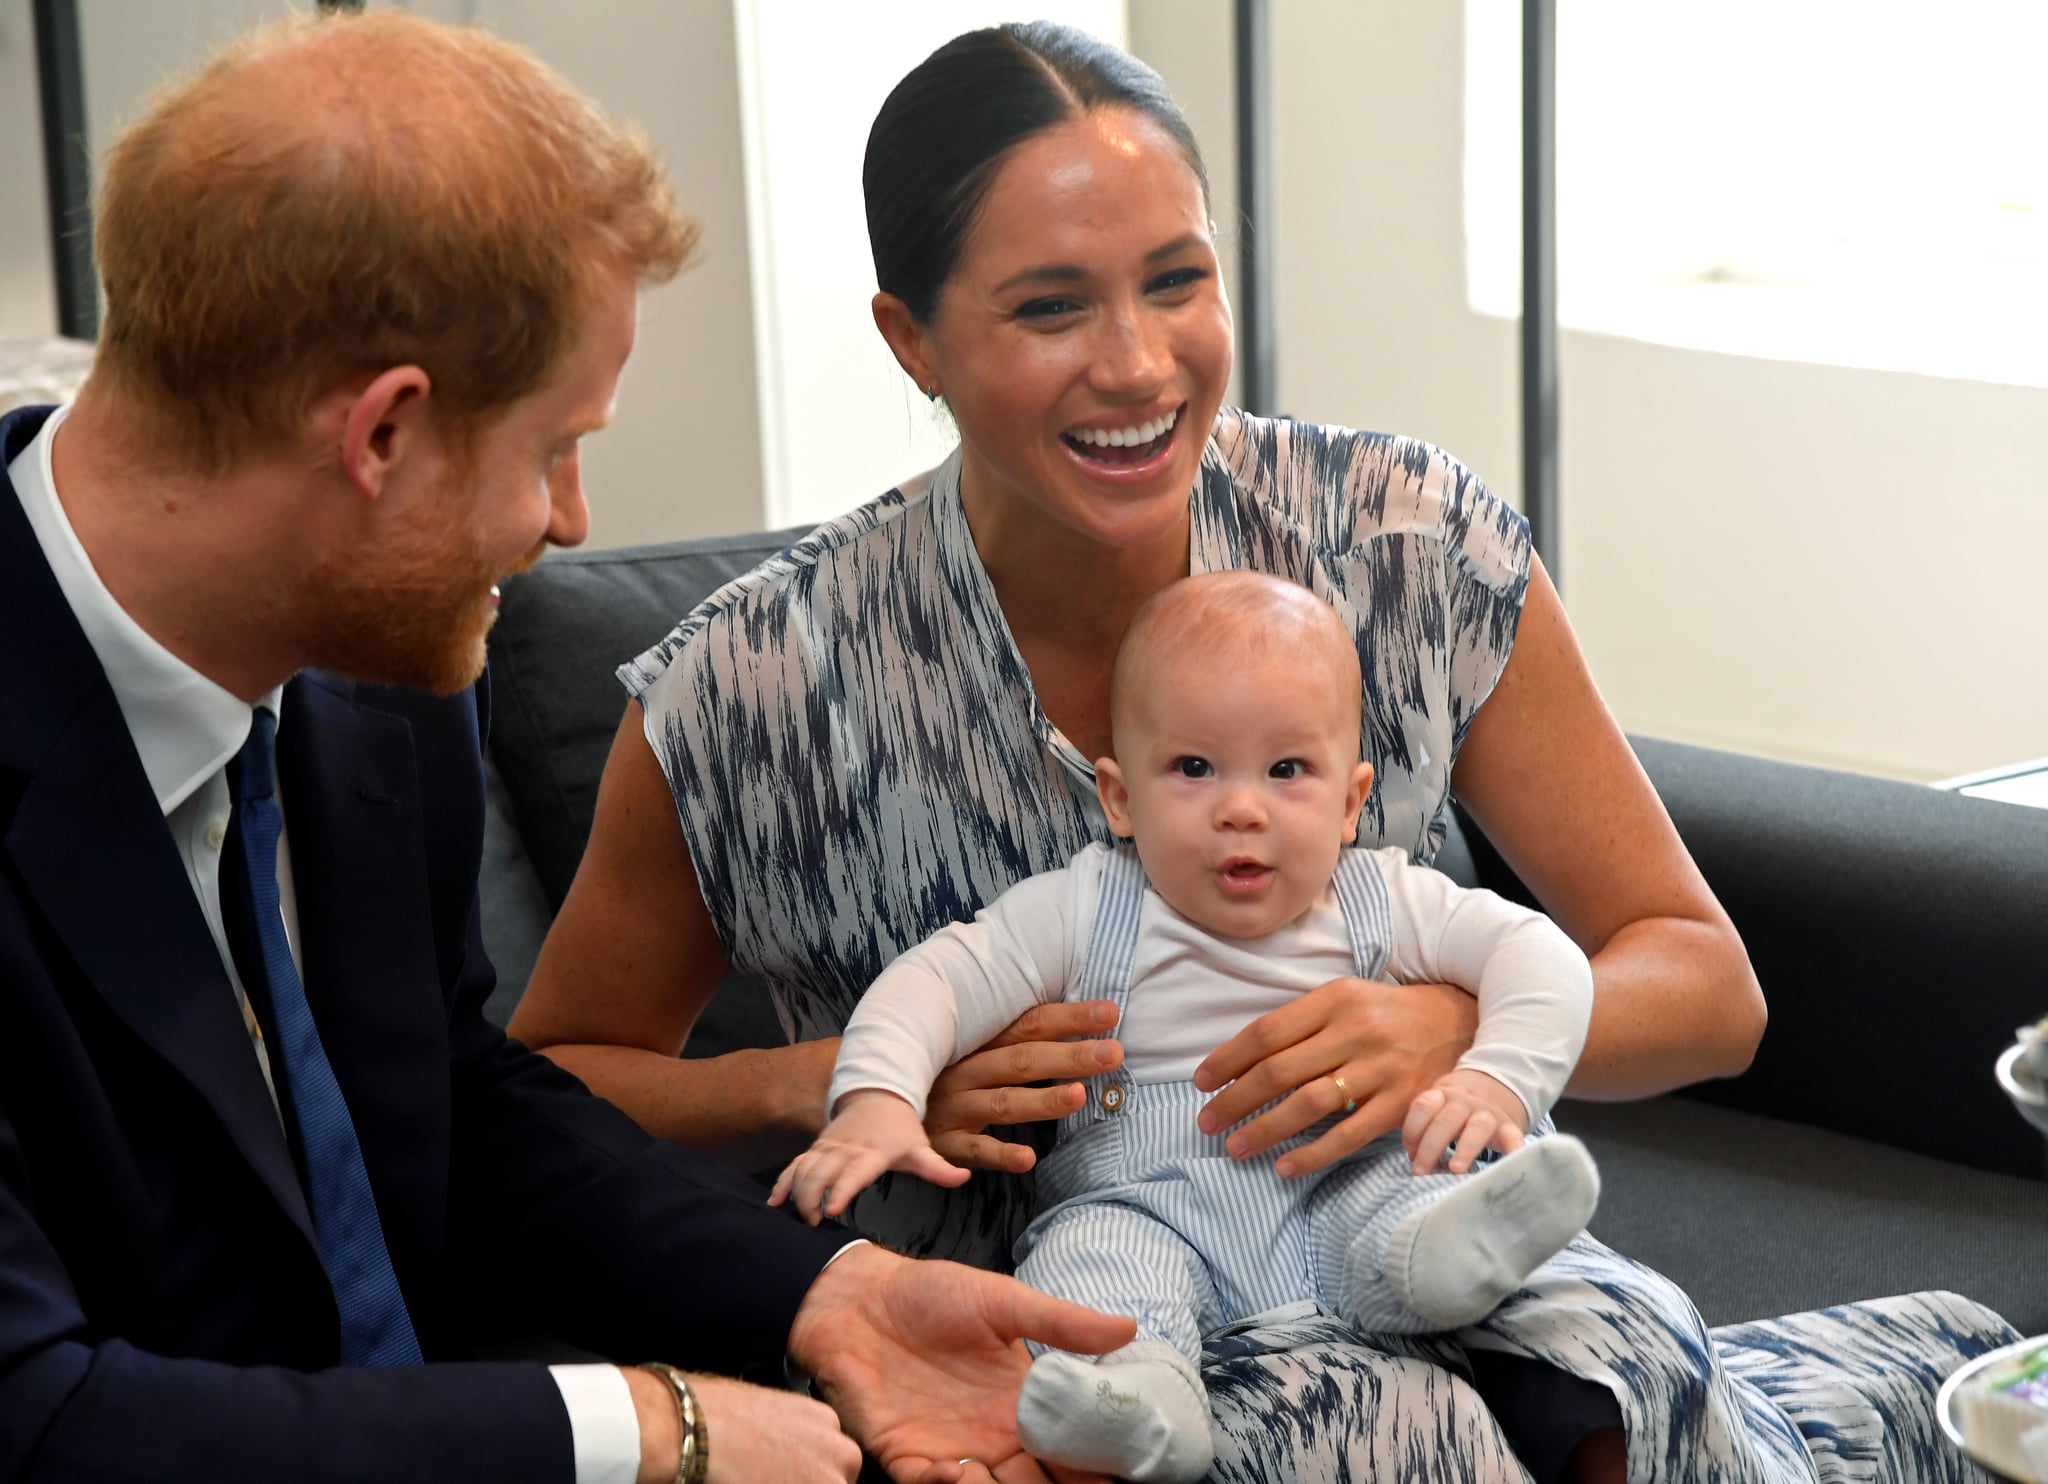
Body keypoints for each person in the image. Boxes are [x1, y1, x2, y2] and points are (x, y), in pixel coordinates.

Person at [509, 19, 2017, 1483]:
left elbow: (1705, 983)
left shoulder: (1405, 546)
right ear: (913, 341)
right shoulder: (750, 686)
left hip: (1411, 1244)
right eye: (1049, 309)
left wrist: (1448, 1031)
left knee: (1635, 1358)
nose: (1139, 363)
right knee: (1385, 1430)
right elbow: (548, 1087)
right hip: (1044, 1341)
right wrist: (827, 1082)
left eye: (1179, 281)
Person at [0, 14, 1140, 1484]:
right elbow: (41, 1420)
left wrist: (827, 1293)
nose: (573, 523)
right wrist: (643, 1426)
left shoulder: (380, 688)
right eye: (555, 449)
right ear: (385, 436)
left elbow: (451, 1103)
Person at [774, 571, 1612, 1483]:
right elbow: (935, 979)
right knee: (1090, 1272)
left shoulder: (1383, 899)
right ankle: (1141, 1405)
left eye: (1287, 770)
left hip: (1340, 1180)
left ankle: (1448, 1261)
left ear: (1348, 801)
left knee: (1407, 1200)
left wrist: (1498, 1079)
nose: (1241, 807)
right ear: (1121, 796)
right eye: (1194, 768)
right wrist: (877, 1099)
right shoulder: (1085, 907)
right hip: (1145, 1205)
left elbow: (1541, 954)